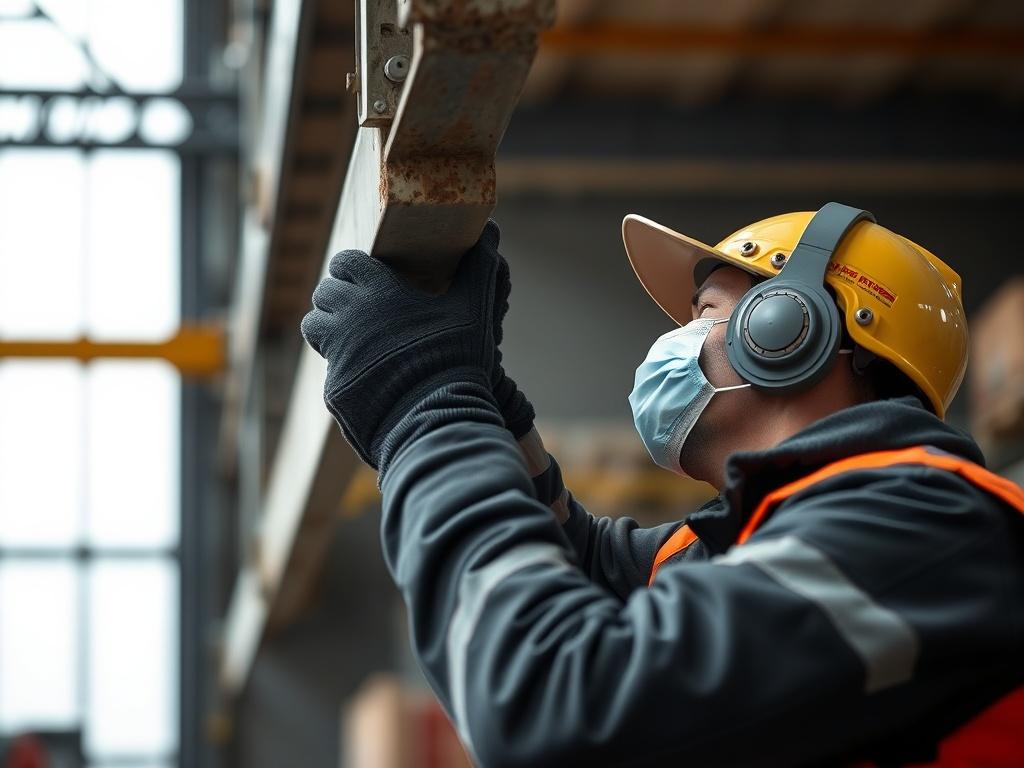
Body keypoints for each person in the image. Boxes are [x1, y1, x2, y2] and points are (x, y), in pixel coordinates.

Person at [301, 203, 1024, 767]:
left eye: (706, 311)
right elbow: (581, 568)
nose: (676, 342)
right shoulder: (759, 541)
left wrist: (426, 403)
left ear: (790, 329)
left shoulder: (926, 528)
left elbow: (553, 704)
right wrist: (478, 393)